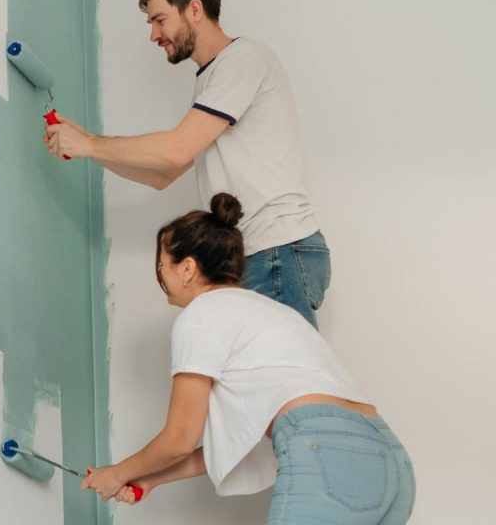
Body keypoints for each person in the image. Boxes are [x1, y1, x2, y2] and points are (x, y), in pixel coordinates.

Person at [80, 193, 415, 524]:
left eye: (161, 264)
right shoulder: (268, 312)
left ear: (187, 268)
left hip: (324, 452)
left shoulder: (200, 315)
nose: (159, 275)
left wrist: (117, 472)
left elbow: (180, 437)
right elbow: (230, 447)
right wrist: (150, 477)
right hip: (392, 463)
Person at [44, 0, 330, 328]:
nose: (153, 34)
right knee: (256, 381)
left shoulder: (242, 59)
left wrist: (89, 143)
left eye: (159, 20)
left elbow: (176, 149)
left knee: (284, 382)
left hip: (276, 250)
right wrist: (88, 147)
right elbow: (163, 174)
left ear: (194, 9)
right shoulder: (213, 81)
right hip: (263, 254)